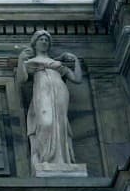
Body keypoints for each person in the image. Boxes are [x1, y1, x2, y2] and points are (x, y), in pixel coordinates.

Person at [16, 30, 84, 167]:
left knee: (60, 123)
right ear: (35, 43)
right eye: (41, 39)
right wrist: (21, 60)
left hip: (60, 91)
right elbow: (22, 79)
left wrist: (76, 61)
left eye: (46, 40)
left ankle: (61, 160)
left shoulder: (56, 63)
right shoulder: (31, 62)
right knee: (45, 122)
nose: (44, 42)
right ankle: (44, 158)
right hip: (42, 91)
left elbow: (77, 79)